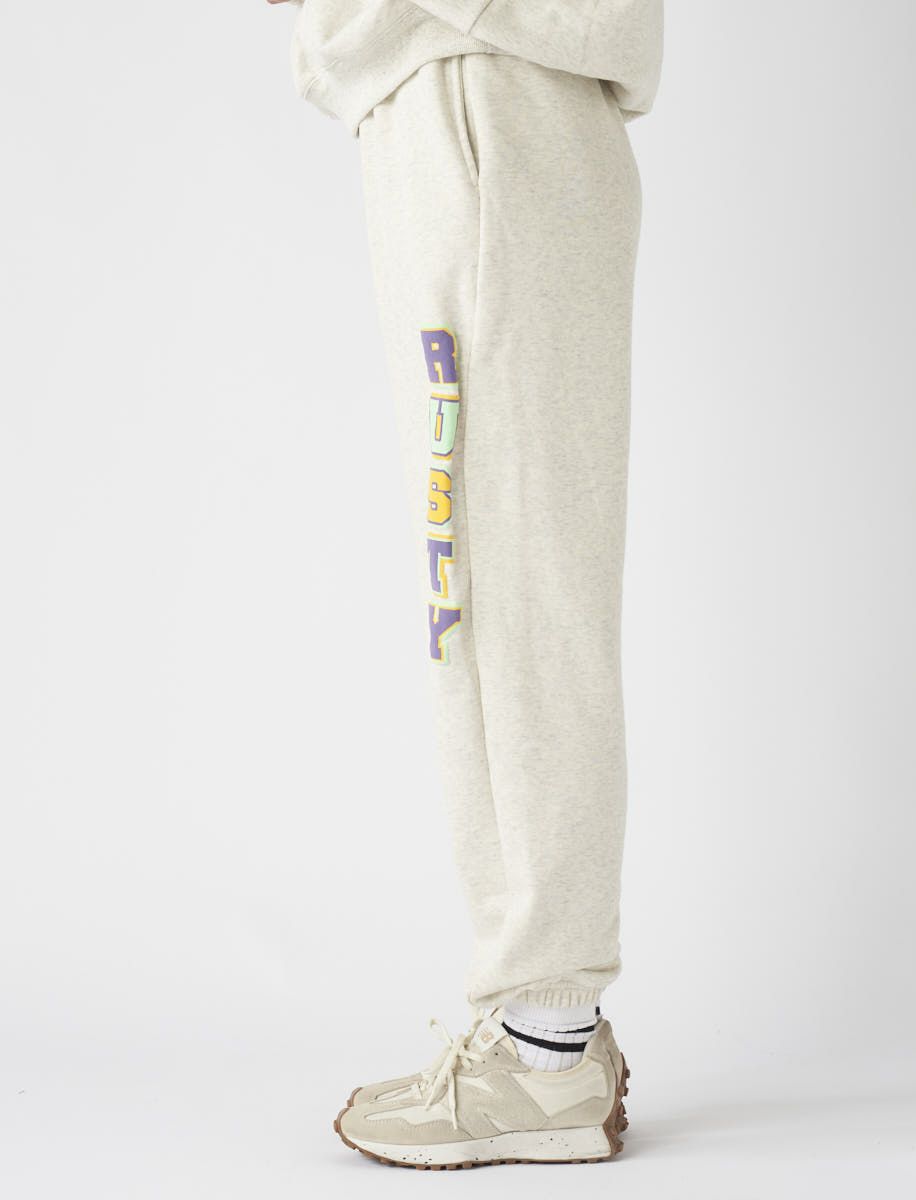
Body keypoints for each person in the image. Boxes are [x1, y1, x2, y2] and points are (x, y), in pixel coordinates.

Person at [269, 0, 663, 1169]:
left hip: (486, 87)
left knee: (512, 592)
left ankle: (545, 1051)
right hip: (455, 96)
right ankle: (540, 1031)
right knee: (485, 591)